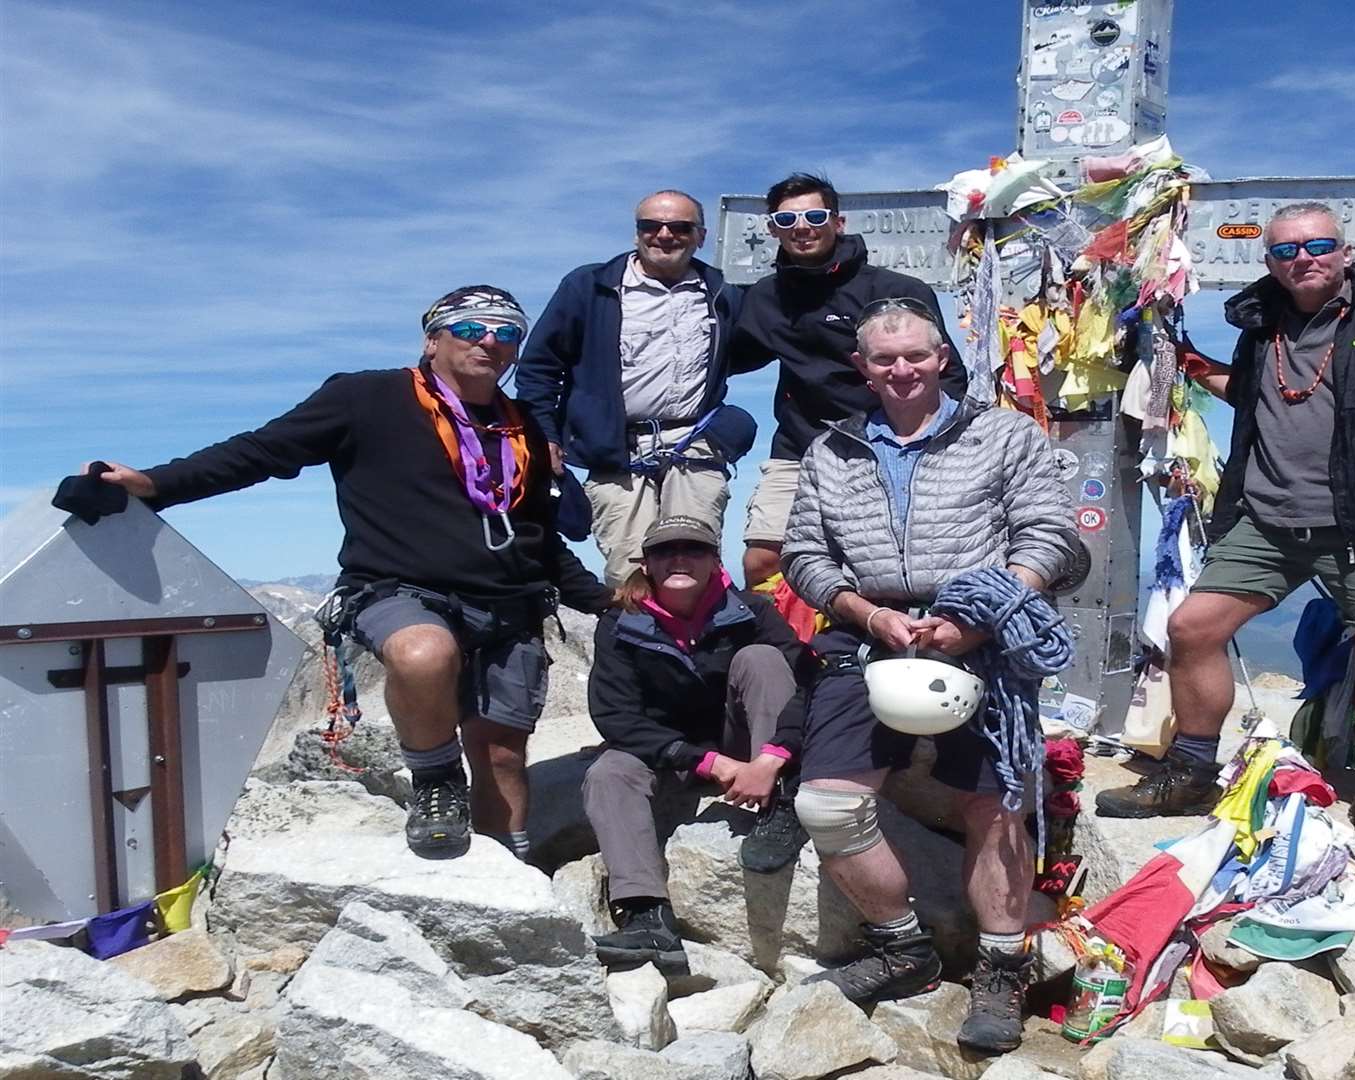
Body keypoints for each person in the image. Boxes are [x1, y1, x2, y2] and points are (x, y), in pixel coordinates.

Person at [89, 286, 610, 860]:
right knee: (422, 654)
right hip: (398, 588)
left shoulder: (523, 429)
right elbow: (262, 451)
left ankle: (507, 872)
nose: (489, 340)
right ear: (432, 339)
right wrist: (156, 485)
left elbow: (536, 532)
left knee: (503, 753)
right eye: (469, 327)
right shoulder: (367, 397)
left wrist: (601, 599)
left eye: (507, 332)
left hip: (510, 604)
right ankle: (436, 781)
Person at [1095, 202, 1355, 864]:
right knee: (1193, 628)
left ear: (1346, 250)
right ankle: (1191, 771)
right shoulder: (1264, 327)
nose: (1304, 258)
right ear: (1269, 261)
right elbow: (1253, 395)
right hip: (1266, 514)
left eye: (1319, 245)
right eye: (1286, 251)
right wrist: (1179, 359)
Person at [780, 299, 1074, 1053]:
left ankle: (1002, 965)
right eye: (885, 359)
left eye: (916, 355)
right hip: (867, 635)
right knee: (828, 807)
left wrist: (980, 618)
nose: (902, 370)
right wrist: (866, 613)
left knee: (998, 801)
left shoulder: (1003, 434)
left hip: (981, 631)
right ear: (862, 368)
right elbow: (804, 555)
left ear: (943, 356)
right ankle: (902, 949)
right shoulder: (831, 450)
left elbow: (1053, 539)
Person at [583, 514, 814, 972]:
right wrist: (708, 762)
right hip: (671, 753)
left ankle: (782, 801)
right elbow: (615, 715)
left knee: (763, 659)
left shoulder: (754, 612)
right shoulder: (619, 624)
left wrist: (771, 757)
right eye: (666, 551)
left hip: (749, 742)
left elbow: (806, 682)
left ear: (714, 560)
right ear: (646, 564)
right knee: (607, 773)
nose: (679, 559)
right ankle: (647, 916)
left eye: (693, 550)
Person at [730, 172, 968, 589]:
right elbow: (720, 360)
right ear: (772, 230)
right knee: (761, 562)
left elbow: (948, 376)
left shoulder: (895, 289)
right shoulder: (763, 298)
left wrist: (934, 451)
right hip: (799, 445)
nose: (802, 228)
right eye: (787, 221)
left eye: (815, 216)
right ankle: (781, 648)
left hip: (885, 447)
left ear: (838, 223)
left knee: (873, 567)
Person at [517, 190, 749, 587]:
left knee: (695, 570)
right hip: (615, 450)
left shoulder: (722, 293)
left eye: (679, 227)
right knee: (630, 576)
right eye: (650, 226)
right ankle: (633, 647)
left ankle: (703, 648)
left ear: (701, 236)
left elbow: (756, 346)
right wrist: (544, 435)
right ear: (636, 232)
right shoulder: (590, 287)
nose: (664, 235)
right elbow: (539, 367)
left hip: (691, 443)